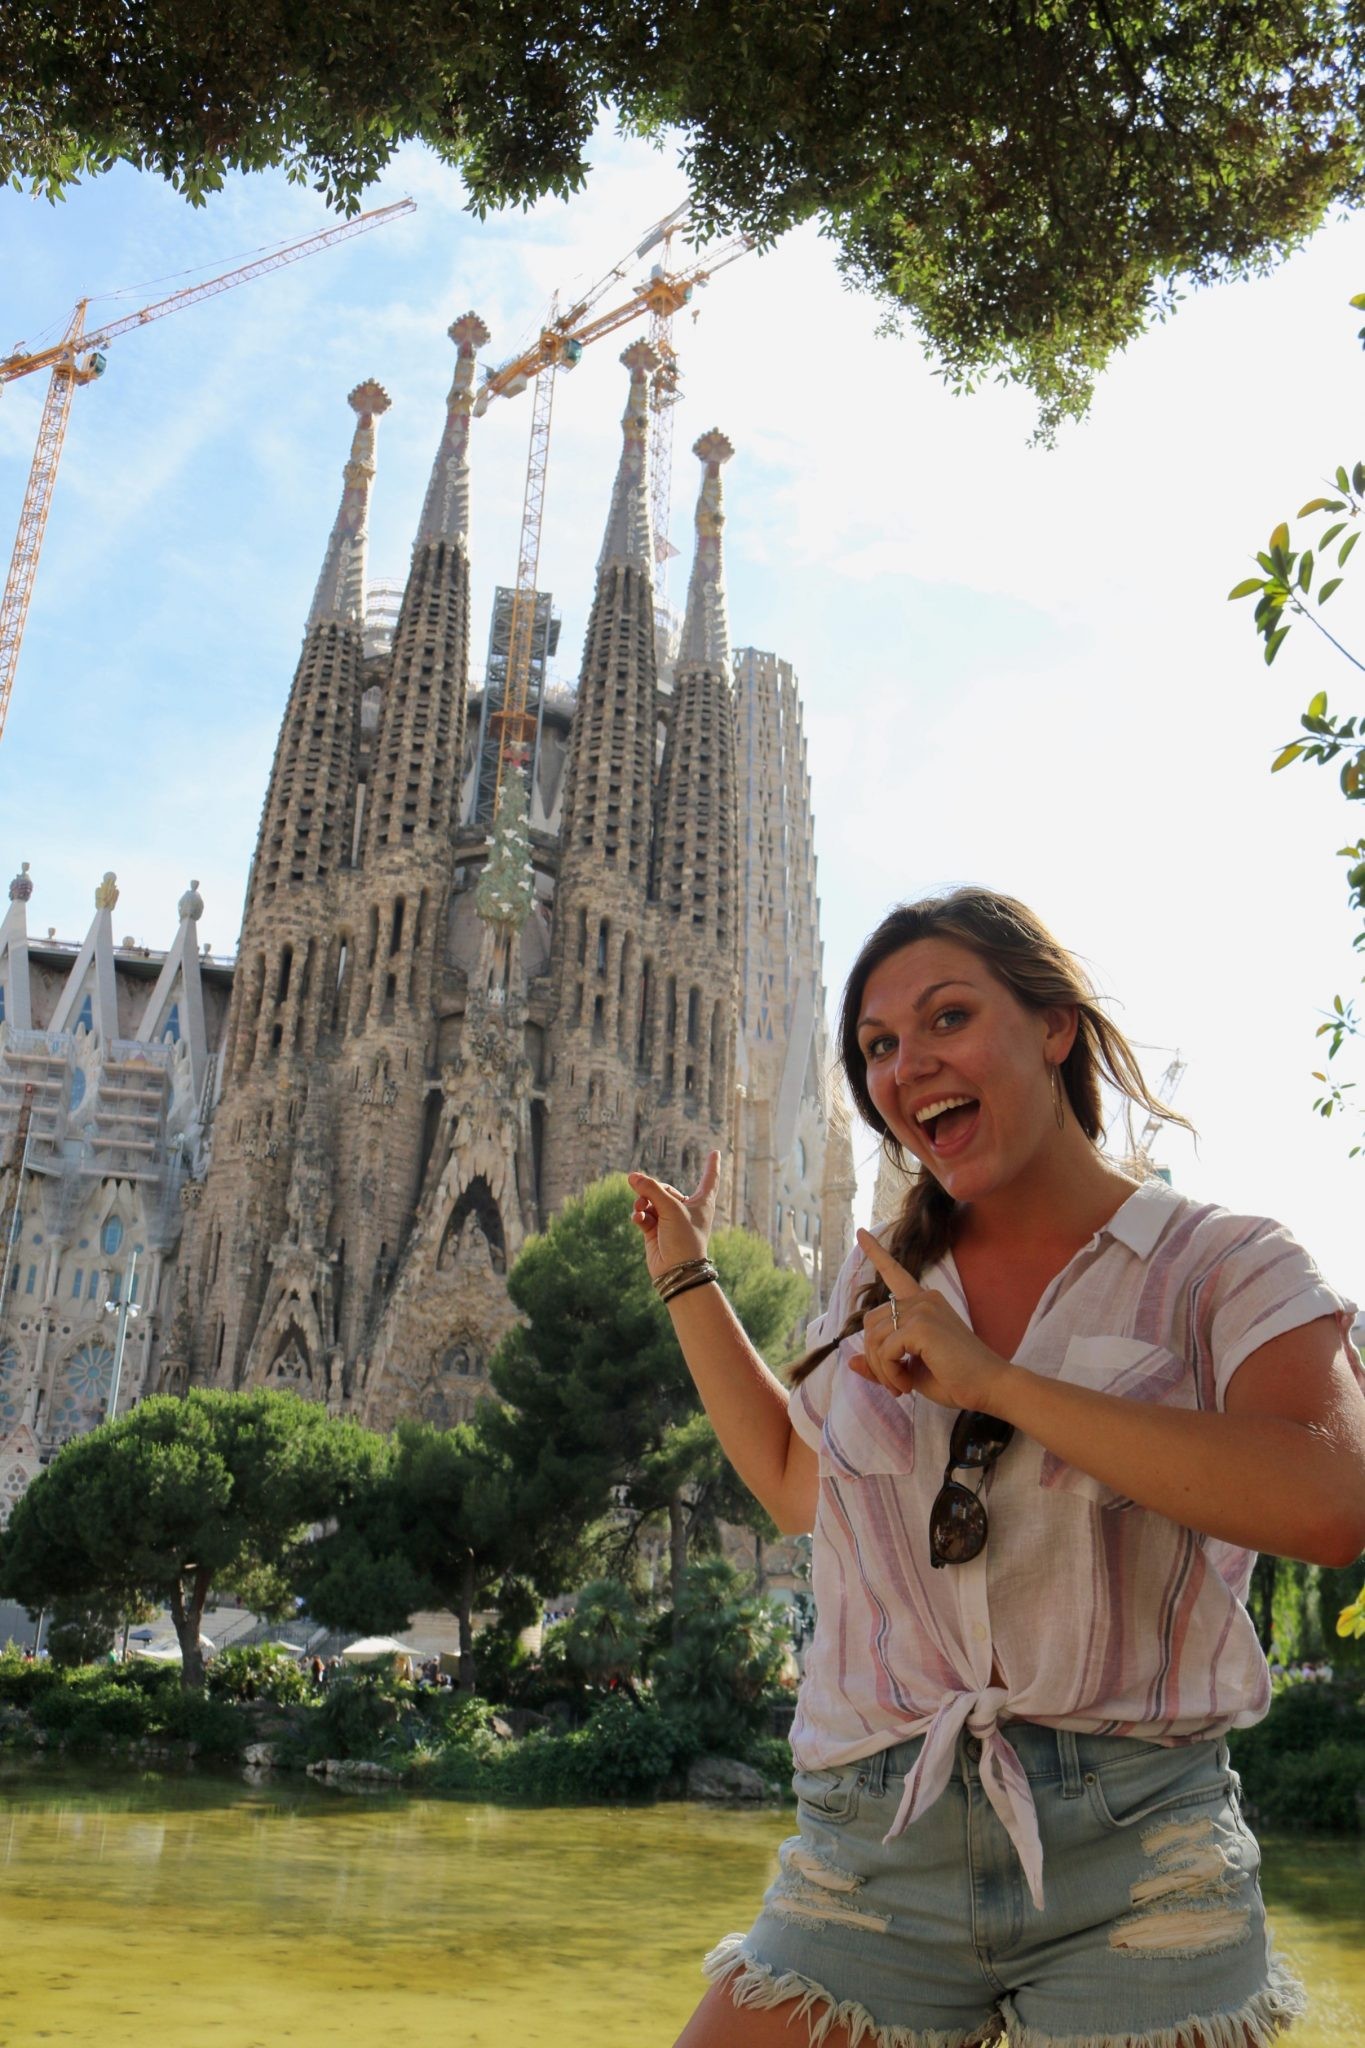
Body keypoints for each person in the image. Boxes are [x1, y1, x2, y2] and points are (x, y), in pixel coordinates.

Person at [628, 887, 1365, 2048]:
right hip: (873, 1836)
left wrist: (999, 1382)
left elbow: (1326, 1501)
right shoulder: (882, 1282)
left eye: (946, 1017)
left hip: (1135, 1850)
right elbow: (788, 1480)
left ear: (1054, 1025)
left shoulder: (1223, 1264)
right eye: (877, 1046)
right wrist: (687, 1274)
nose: (907, 1064)